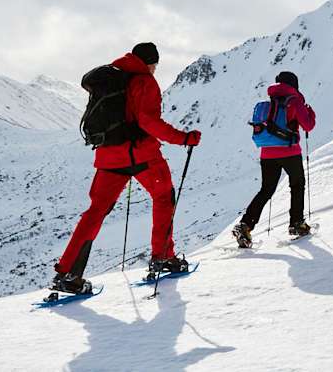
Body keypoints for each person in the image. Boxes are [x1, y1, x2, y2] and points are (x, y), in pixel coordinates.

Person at [52, 42, 201, 294]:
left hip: (108, 157)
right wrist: (183, 138)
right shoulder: (144, 81)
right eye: (154, 64)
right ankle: (164, 256)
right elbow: (148, 121)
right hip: (141, 154)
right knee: (163, 196)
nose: (155, 69)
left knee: (95, 212)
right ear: (149, 63)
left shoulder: (112, 78)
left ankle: (68, 274)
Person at [232, 70, 316, 247]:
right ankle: (297, 223)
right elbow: (308, 125)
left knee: (266, 190)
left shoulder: (270, 103)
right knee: (297, 184)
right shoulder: (294, 101)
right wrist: (310, 112)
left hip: (267, 153)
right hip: (289, 151)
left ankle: (245, 225)